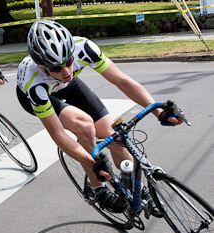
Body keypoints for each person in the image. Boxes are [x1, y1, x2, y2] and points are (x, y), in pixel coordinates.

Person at [16, 20, 184, 215]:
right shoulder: (34, 82)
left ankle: (136, 189)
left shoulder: (84, 48)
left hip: (67, 87)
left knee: (113, 136)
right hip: (41, 96)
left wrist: (158, 111)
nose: (67, 71)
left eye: (69, 62)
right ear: (42, 66)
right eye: (56, 68)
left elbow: (123, 81)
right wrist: (92, 164)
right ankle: (97, 188)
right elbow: (59, 135)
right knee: (85, 127)